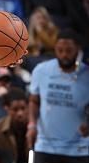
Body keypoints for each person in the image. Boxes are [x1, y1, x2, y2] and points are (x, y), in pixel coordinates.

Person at [27, 29, 89, 162]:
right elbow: (34, 101)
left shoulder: (87, 75)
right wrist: (32, 124)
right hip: (45, 145)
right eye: (60, 50)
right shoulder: (41, 70)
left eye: (69, 50)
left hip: (78, 147)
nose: (64, 55)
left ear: (78, 49)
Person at [0, 88, 29, 163]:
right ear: (6, 108)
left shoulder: (36, 127)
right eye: (15, 109)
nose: (20, 113)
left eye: (23, 108)